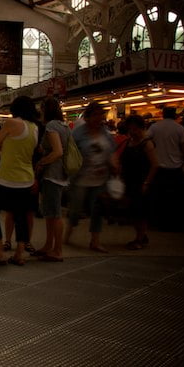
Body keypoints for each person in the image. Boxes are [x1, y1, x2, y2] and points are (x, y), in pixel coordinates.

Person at [0, 96, 39, 266]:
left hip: (9, 179)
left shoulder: (12, 123)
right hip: (27, 178)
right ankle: (19, 255)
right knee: (21, 216)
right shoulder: (34, 127)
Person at [64, 101, 116, 253]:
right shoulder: (78, 133)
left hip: (100, 179)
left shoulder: (105, 133)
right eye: (96, 115)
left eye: (101, 115)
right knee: (75, 209)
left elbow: (111, 151)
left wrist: (113, 163)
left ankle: (95, 241)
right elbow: (71, 154)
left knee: (97, 210)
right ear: (88, 117)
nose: (99, 118)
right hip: (80, 178)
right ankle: (68, 233)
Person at [34, 97, 70, 262]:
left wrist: (42, 162)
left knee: (55, 214)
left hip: (53, 175)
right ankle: (49, 245)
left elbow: (57, 152)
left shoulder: (51, 126)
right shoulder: (64, 126)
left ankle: (57, 250)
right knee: (50, 213)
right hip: (61, 174)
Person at [146, 106, 184, 231]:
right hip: (176, 168)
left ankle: (158, 222)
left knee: (159, 198)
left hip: (159, 168)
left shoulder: (155, 127)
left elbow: (145, 139)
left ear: (163, 114)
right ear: (175, 115)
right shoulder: (180, 128)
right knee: (174, 199)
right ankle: (172, 223)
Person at [120, 115, 158, 250]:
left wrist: (147, 182)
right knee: (133, 211)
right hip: (130, 181)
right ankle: (141, 235)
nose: (132, 132)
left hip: (141, 182)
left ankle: (139, 238)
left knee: (140, 211)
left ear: (141, 128)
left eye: (135, 129)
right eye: (130, 129)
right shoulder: (128, 142)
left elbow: (154, 164)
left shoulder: (147, 143)